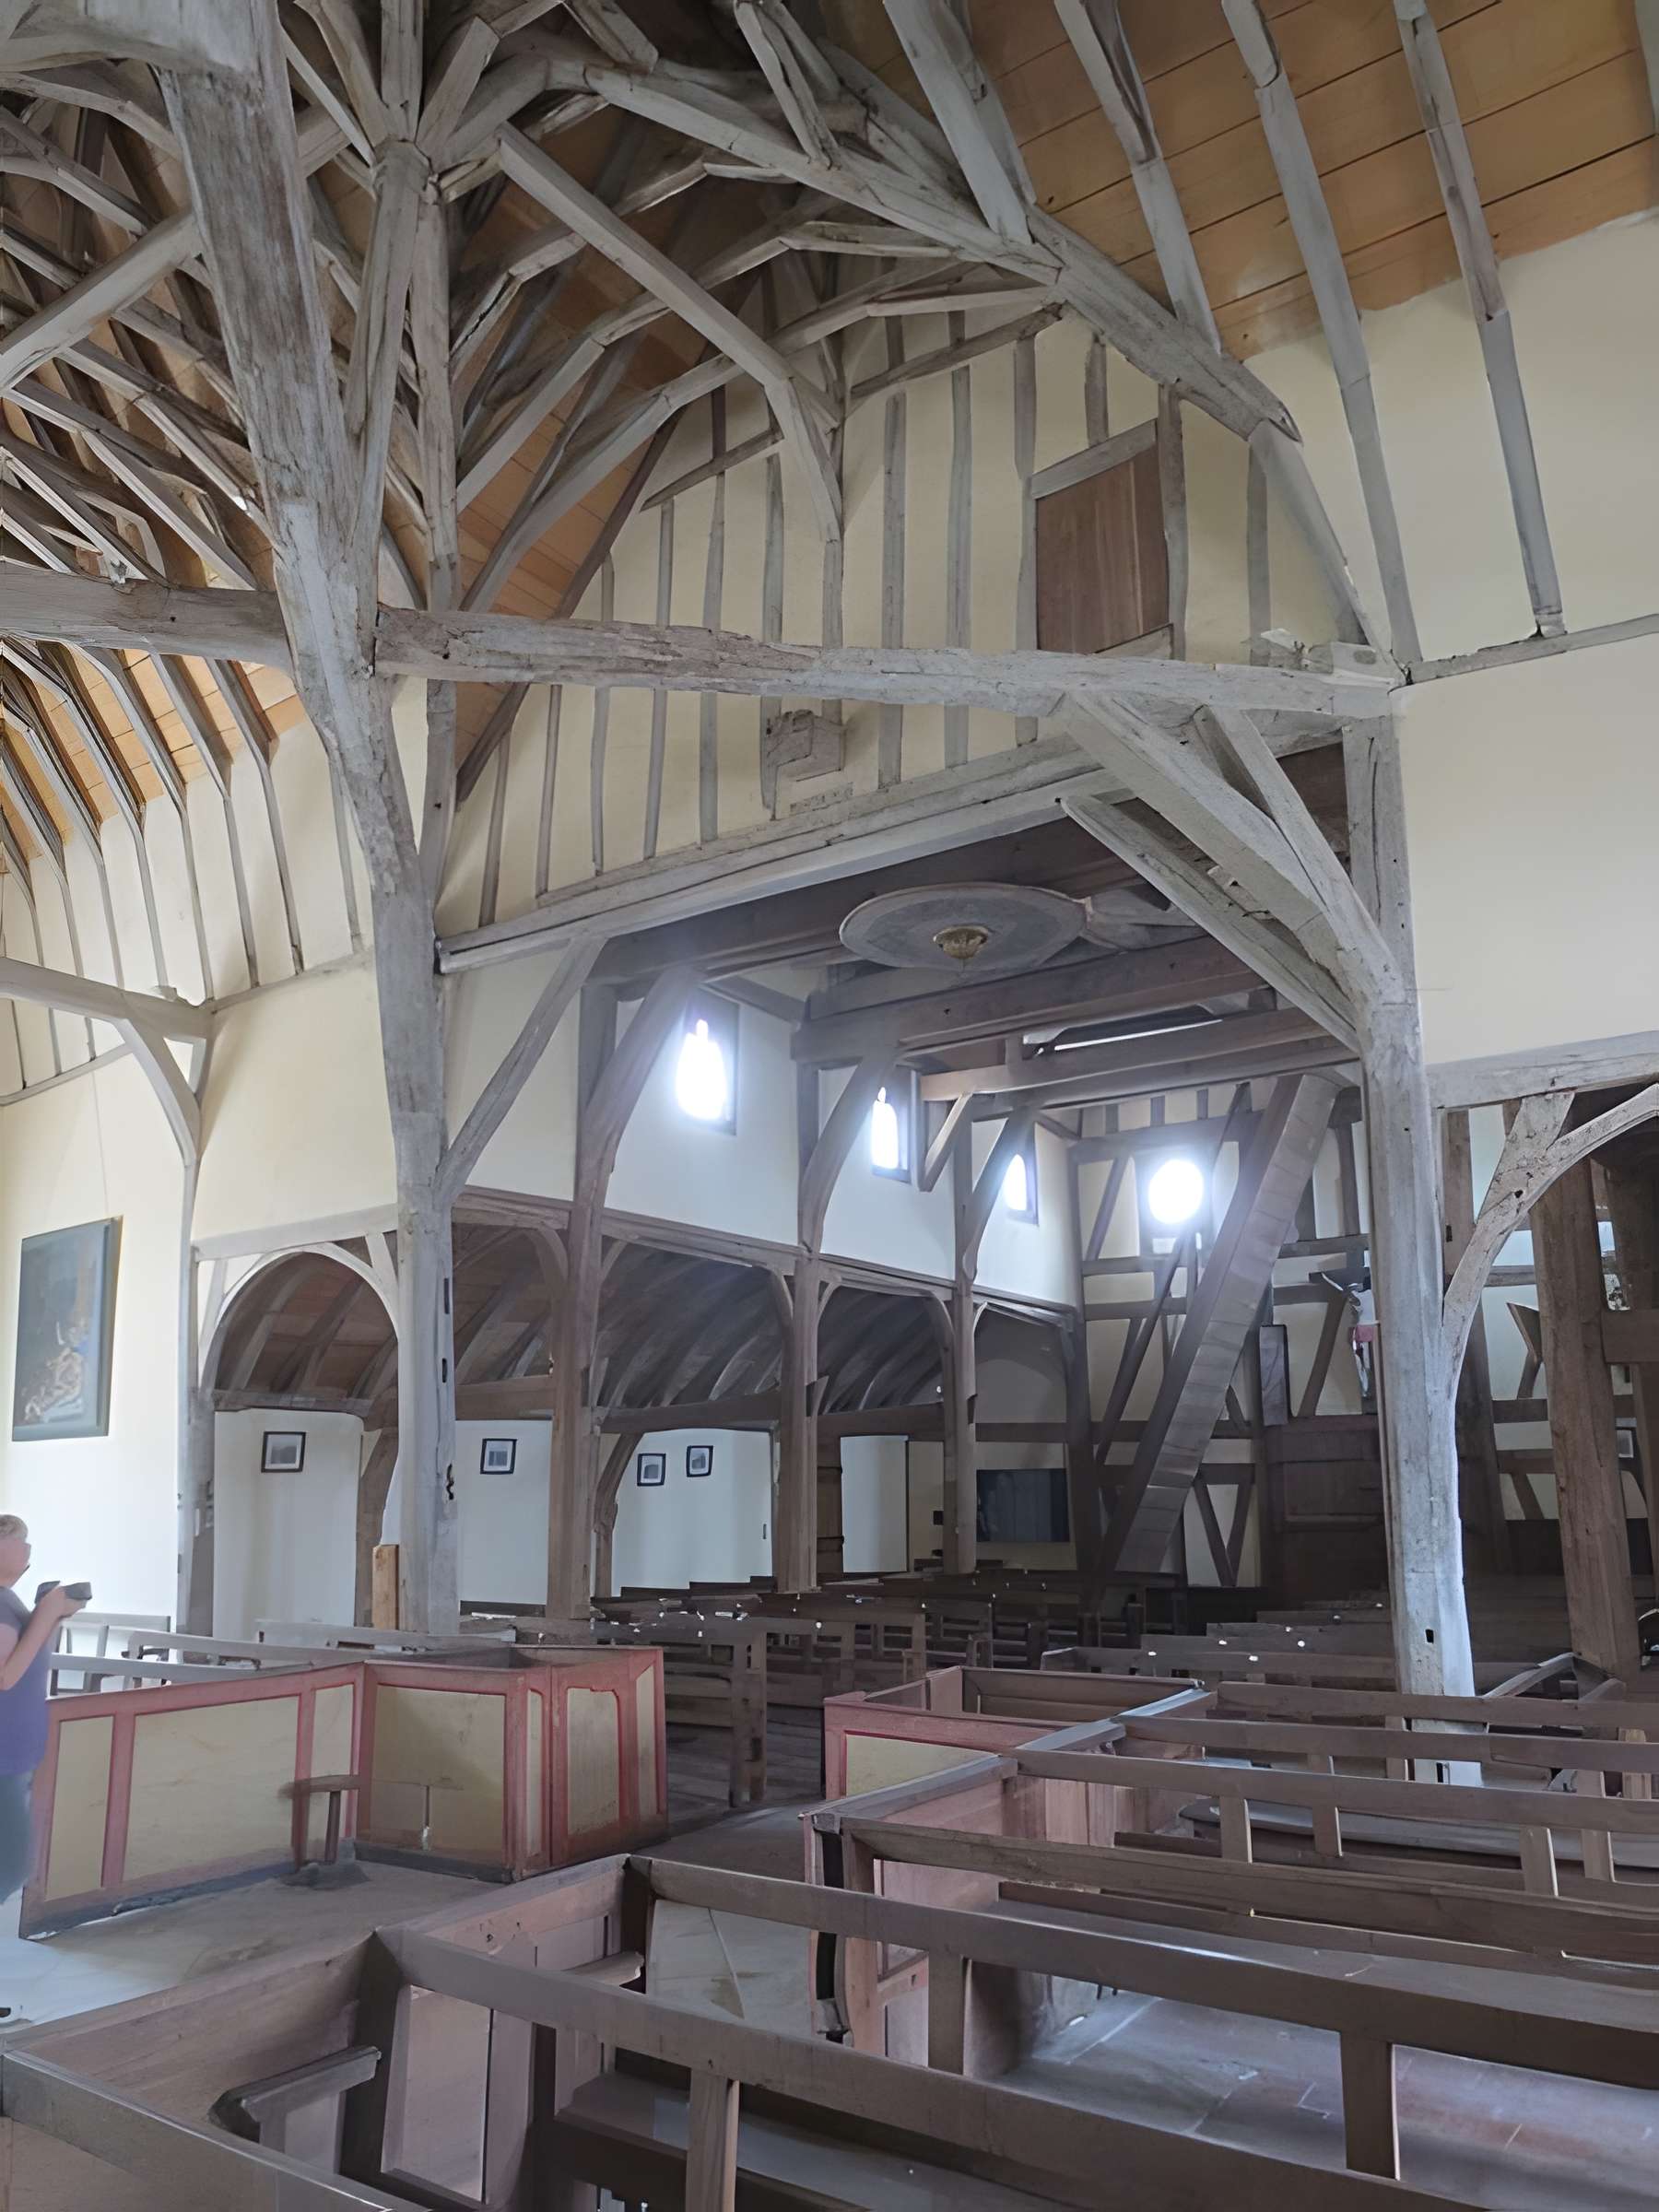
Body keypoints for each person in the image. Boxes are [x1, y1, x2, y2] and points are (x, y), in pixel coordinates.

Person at [0, 1516, 85, 1910]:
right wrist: (48, 1613)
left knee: (12, 1860)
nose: (28, 1548)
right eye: (19, 1540)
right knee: (12, 1864)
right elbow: (5, 1676)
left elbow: (30, 1657)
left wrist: (52, 1615)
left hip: (14, 1749)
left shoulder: (8, 1599)